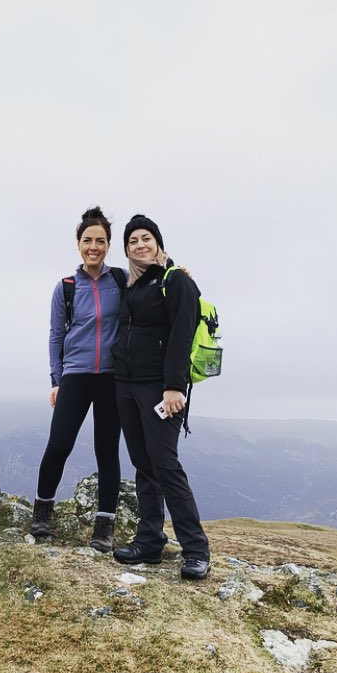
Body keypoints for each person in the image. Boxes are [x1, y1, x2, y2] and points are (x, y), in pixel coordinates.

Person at [110, 214, 212, 579]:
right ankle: (150, 541)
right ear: (126, 249)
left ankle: (196, 550)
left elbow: (183, 334)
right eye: (132, 241)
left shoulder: (176, 280)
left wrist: (173, 386)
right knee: (144, 465)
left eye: (145, 238)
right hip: (126, 384)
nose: (140, 245)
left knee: (166, 466)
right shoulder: (132, 286)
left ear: (158, 242)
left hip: (160, 388)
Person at [31, 207, 125, 551]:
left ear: (109, 245)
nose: (94, 246)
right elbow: (56, 336)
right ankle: (42, 511)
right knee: (59, 445)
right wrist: (56, 379)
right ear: (78, 244)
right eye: (88, 240)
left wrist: (178, 269)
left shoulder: (121, 281)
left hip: (111, 378)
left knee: (107, 451)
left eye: (100, 241)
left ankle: (105, 525)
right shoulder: (66, 288)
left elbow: (155, 285)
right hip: (75, 375)